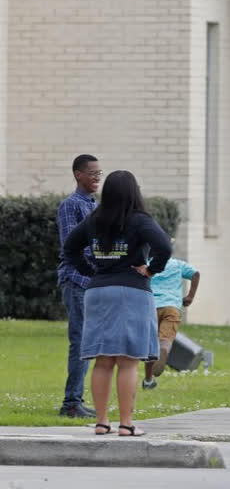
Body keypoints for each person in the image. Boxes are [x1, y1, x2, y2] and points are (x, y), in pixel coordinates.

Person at [63, 170, 172, 436]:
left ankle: (101, 422)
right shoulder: (138, 220)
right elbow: (164, 247)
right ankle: (126, 424)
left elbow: (70, 247)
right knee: (128, 361)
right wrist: (151, 270)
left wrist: (91, 270)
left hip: (98, 292)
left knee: (102, 361)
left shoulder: (93, 220)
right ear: (134, 192)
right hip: (131, 292)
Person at [56, 154, 101, 418]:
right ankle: (71, 404)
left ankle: (77, 399)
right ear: (78, 175)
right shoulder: (70, 206)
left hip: (94, 281)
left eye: (99, 174)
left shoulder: (94, 206)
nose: (97, 178)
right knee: (80, 340)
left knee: (89, 341)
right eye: (92, 173)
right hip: (77, 280)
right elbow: (71, 247)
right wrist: (94, 270)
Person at [142, 249, 201, 390]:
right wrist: (190, 297)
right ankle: (163, 350)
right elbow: (195, 274)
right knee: (165, 340)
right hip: (172, 307)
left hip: (150, 307)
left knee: (151, 346)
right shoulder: (177, 264)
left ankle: (149, 380)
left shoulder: (146, 263)